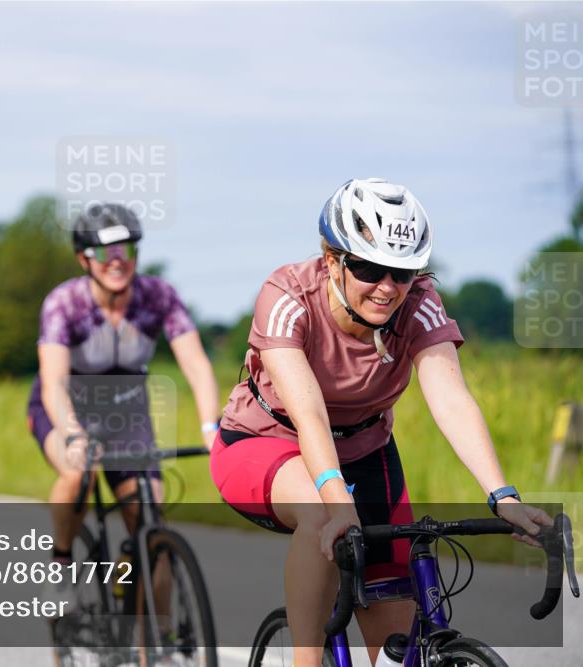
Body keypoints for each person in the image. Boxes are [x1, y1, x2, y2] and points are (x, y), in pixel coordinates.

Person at [209, 178, 550, 666]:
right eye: (370, 268)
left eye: (403, 272)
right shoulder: (287, 296)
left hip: (367, 452)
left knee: (396, 646)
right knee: (324, 514)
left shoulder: (419, 303)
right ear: (333, 260)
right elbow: (308, 414)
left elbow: (451, 399)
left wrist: (504, 496)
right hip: (267, 442)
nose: (388, 288)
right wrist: (337, 500)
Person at [28, 203, 219, 604]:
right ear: (84, 258)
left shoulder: (158, 296)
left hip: (126, 407)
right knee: (78, 472)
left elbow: (197, 364)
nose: (117, 262)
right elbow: (53, 383)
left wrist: (209, 428)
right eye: (104, 253)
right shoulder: (64, 303)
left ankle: (158, 643)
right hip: (66, 402)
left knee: (148, 517)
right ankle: (61, 562)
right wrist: (73, 435)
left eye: (127, 250)